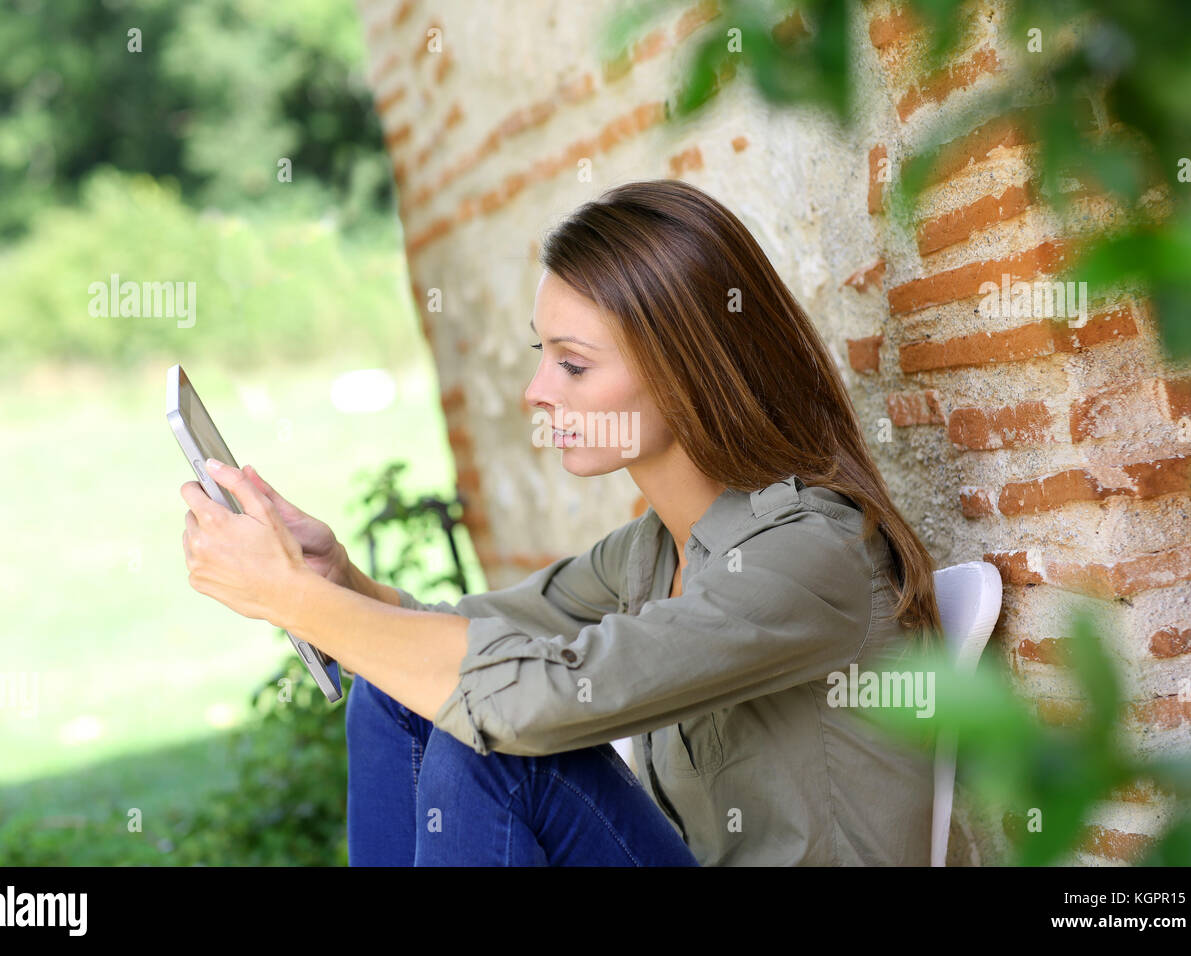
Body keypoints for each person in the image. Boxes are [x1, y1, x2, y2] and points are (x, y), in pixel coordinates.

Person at [181, 179, 943, 866]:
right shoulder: (650, 552)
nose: (537, 392)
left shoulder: (807, 555)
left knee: (500, 747)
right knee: (396, 694)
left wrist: (291, 599)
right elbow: (459, 650)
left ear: (688, 369)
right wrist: (336, 578)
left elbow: (522, 704)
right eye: (542, 357)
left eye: (573, 365)